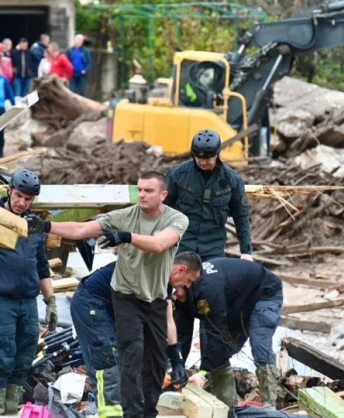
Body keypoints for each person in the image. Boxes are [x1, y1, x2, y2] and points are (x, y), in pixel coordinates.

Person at [26, 170, 190, 418]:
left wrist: (176, 360)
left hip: (153, 301)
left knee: (155, 364)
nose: (142, 195)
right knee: (130, 357)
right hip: (125, 299)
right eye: (140, 189)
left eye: (149, 190)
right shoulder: (125, 216)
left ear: (163, 195)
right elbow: (82, 230)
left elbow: (159, 244)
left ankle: (147, 413)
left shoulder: (176, 219)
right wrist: (47, 226)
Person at [0, 169, 58, 415]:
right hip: (0, 301)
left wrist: (50, 301)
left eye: (27, 199)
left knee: (23, 359)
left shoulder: (34, 225)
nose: (21, 203)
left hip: (27, 302)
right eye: (18, 196)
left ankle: (9, 410)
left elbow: (42, 267)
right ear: (9, 191)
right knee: (1, 359)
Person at [70, 255, 196, 418]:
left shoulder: (164, 282)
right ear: (181, 269)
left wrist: (177, 360)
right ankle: (110, 415)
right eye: (189, 281)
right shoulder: (151, 268)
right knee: (108, 360)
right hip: (92, 302)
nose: (187, 286)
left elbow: (168, 321)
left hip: (113, 307)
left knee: (128, 359)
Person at [170, 256, 283, 408]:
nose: (173, 296)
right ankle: (226, 404)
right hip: (236, 300)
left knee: (259, 344)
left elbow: (216, 333)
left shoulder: (208, 289)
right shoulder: (179, 294)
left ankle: (270, 404)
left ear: (188, 285)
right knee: (223, 350)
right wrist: (177, 368)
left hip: (264, 293)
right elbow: (183, 335)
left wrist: (203, 373)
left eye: (176, 291)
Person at [164, 129, 253, 262]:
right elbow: (162, 207)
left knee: (211, 282)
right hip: (181, 245)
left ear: (217, 155)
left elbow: (241, 217)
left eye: (207, 158)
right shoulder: (177, 175)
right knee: (176, 282)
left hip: (213, 248)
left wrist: (246, 251)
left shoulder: (231, 180)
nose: (203, 162)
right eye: (199, 158)